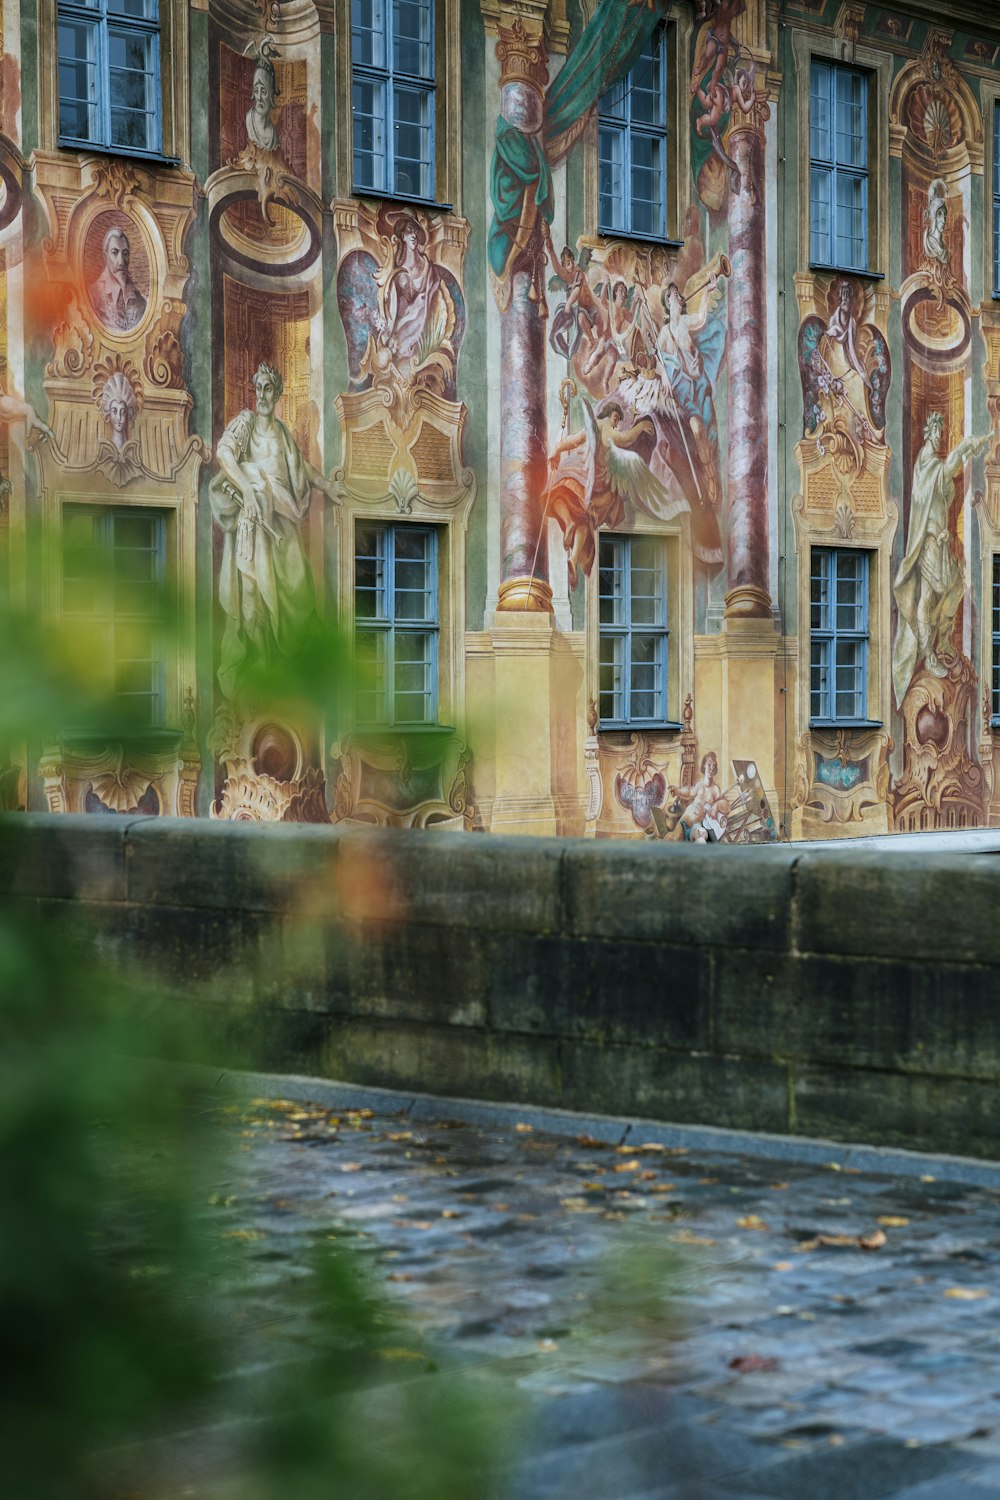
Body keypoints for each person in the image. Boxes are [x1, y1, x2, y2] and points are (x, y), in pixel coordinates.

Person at [209, 362, 338, 701]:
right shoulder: (246, 423)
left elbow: (301, 467)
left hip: (283, 523)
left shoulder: (281, 433)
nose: (263, 395)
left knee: (300, 591)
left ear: (279, 393)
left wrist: (326, 485)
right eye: (259, 388)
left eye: (269, 388)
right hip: (254, 523)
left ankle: (286, 669)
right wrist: (250, 492)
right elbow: (224, 453)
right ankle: (260, 667)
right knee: (252, 598)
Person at [892, 411, 990, 705]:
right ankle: (929, 651)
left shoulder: (929, 464)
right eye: (937, 432)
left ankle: (940, 641)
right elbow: (946, 472)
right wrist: (965, 447)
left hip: (939, 543)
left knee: (954, 587)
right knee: (931, 597)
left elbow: (938, 496)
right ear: (928, 433)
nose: (940, 436)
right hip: (930, 545)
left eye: (941, 432)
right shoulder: (926, 463)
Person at [88, 228, 147, 333]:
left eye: (125, 254)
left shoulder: (140, 301)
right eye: (115, 253)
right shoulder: (92, 295)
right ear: (106, 256)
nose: (121, 262)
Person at [245, 42, 281, 152]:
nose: (259, 97)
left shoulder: (272, 134)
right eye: (256, 91)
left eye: (264, 91)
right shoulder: (249, 119)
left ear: (270, 95)